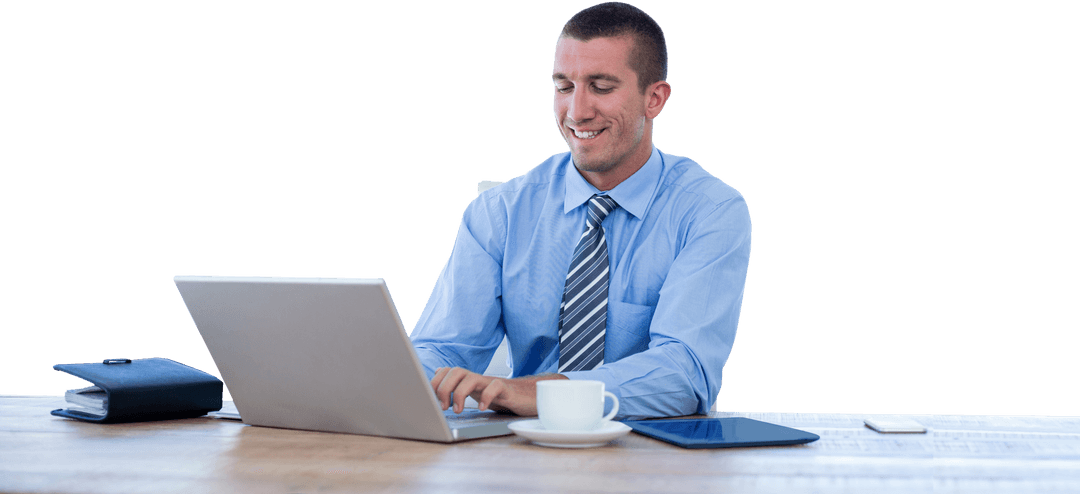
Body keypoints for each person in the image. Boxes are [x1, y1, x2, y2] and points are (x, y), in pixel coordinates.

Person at [410, 1, 752, 420]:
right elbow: (442, 350)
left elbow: (685, 374)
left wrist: (542, 393)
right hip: (521, 454)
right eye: (564, 86)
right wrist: (393, 383)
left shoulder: (710, 212)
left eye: (602, 87)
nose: (576, 111)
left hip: (652, 456)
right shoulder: (498, 214)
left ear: (655, 99)